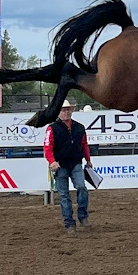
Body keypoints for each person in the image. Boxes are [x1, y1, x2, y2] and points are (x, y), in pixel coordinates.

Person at [43, 100, 93, 233]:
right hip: (60, 165)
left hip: (75, 162)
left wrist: (88, 160)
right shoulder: (52, 128)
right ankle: (69, 222)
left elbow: (84, 145)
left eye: (68, 110)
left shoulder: (79, 128)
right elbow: (47, 148)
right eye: (64, 110)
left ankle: (82, 215)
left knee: (81, 187)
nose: (66, 112)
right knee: (64, 195)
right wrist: (52, 161)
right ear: (59, 112)